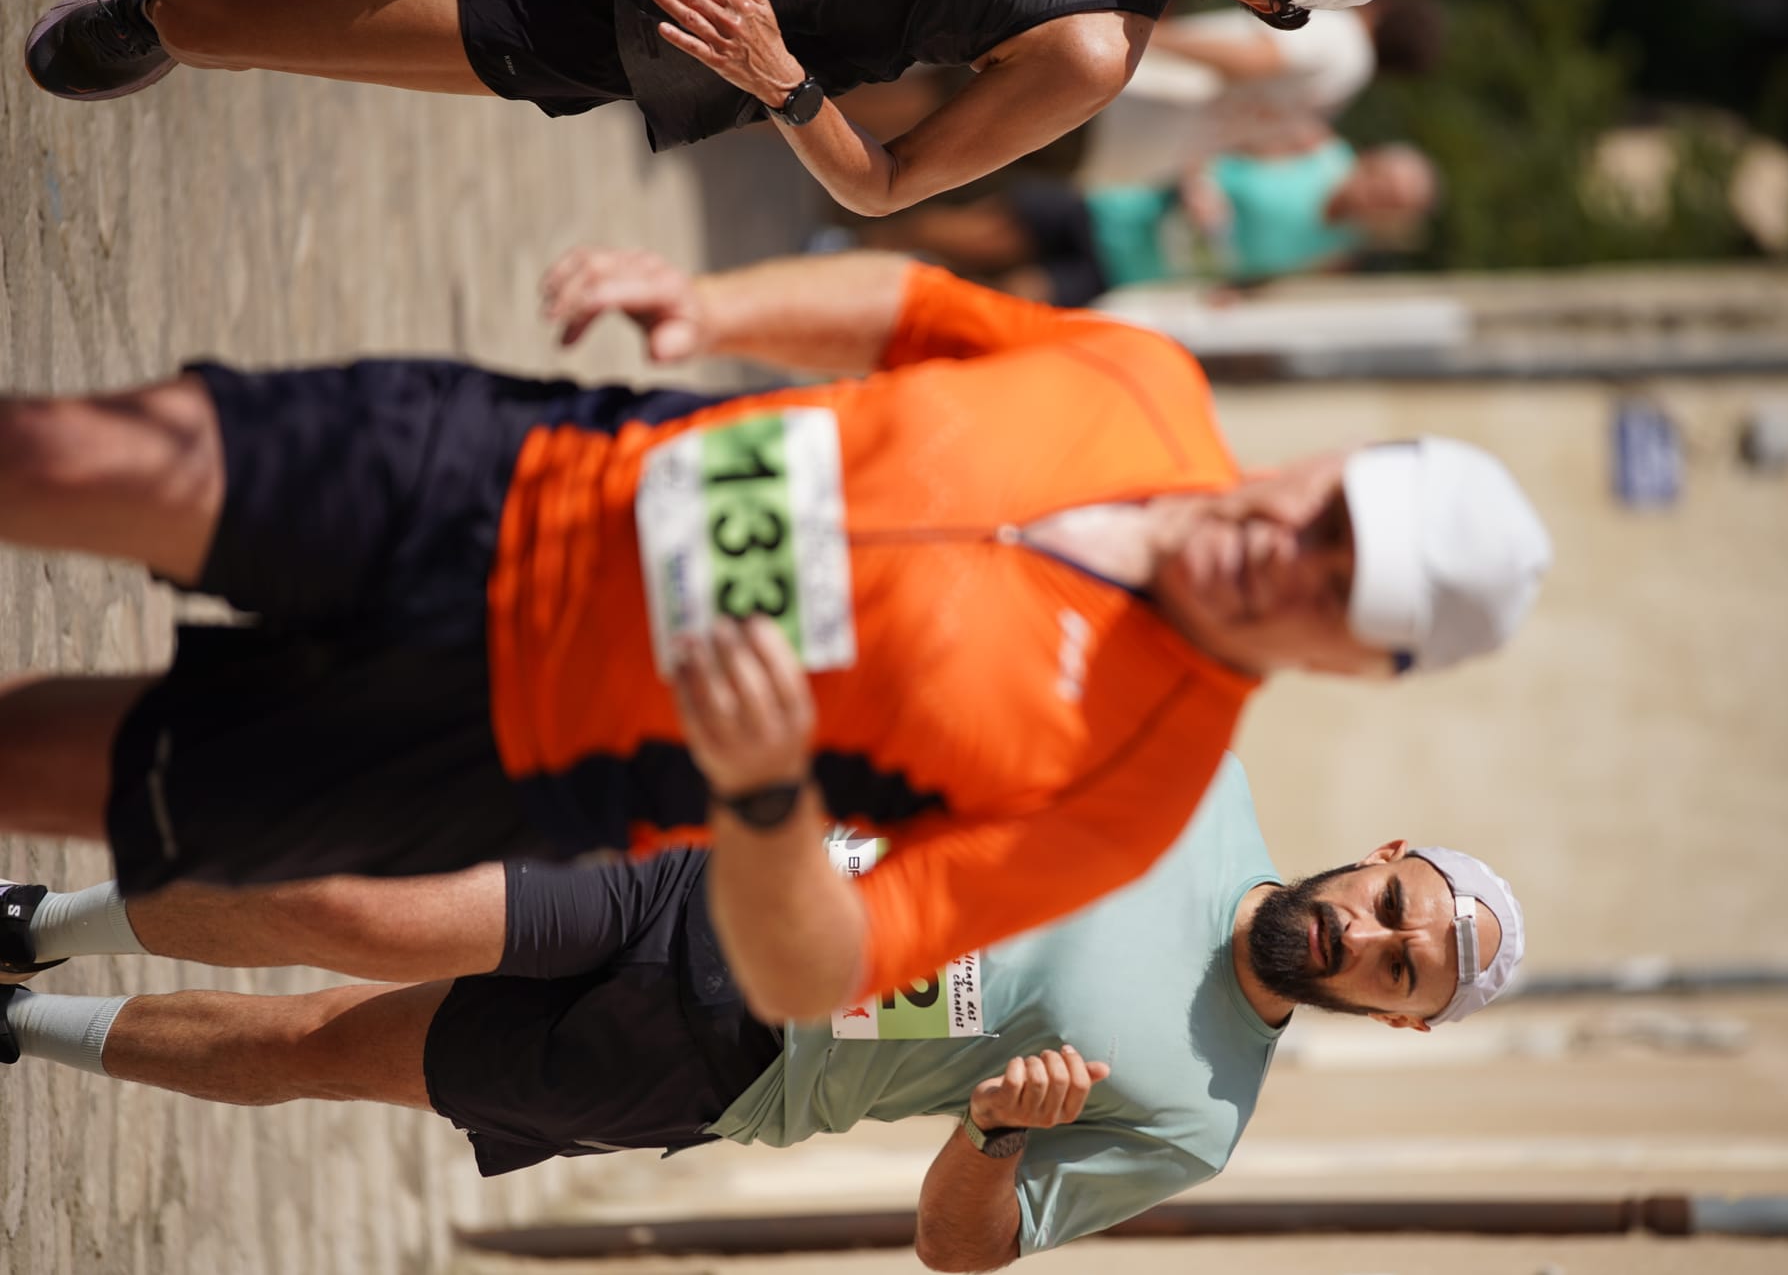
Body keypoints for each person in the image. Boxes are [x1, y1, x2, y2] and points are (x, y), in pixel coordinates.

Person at [0, 245, 1551, 1024]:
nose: (1291, 554)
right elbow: (918, 309)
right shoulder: (1146, 386)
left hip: (501, 741)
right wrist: (714, 295)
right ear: (1338, 459)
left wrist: (759, 802)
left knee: (45, 766)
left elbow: (824, 970)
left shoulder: (1131, 791)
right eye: (1334, 512)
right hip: (517, 472)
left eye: (1341, 595)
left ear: (1356, 666)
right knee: (67, 459)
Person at [0, 756, 1527, 1269]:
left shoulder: (1201, 1118)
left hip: (717, 1062)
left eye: (1398, 969)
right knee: (358, 900)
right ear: (1385, 854)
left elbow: (957, 1246)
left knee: (320, 1052)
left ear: (1389, 1016)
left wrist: (998, 1131)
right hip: (714, 871)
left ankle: (16, 1030)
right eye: (1395, 910)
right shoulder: (1195, 779)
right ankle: (40, 926)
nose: (1364, 939)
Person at [23, 0, 1407, 216]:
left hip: (635, 10)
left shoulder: (1093, 44)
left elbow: (889, 186)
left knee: (220, 20)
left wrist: (782, 81)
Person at [850, 138, 1438, 306]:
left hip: (1128, 270)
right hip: (1112, 209)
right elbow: (1213, 146)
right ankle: (863, 238)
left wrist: (1235, 292)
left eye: (1396, 203)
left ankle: (879, 297)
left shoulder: (1338, 253)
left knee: (1007, 301)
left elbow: (1265, 279)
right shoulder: (1314, 149)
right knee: (973, 237)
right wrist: (1201, 190)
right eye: (1390, 184)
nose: (1383, 198)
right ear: (1376, 163)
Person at [1079, 0, 1447, 187]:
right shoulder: (1344, 92)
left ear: (1385, 7)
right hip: (1136, 160)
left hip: (1123, 96)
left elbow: (1252, 60)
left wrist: (1151, 36)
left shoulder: (1340, 36)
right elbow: (1261, 147)